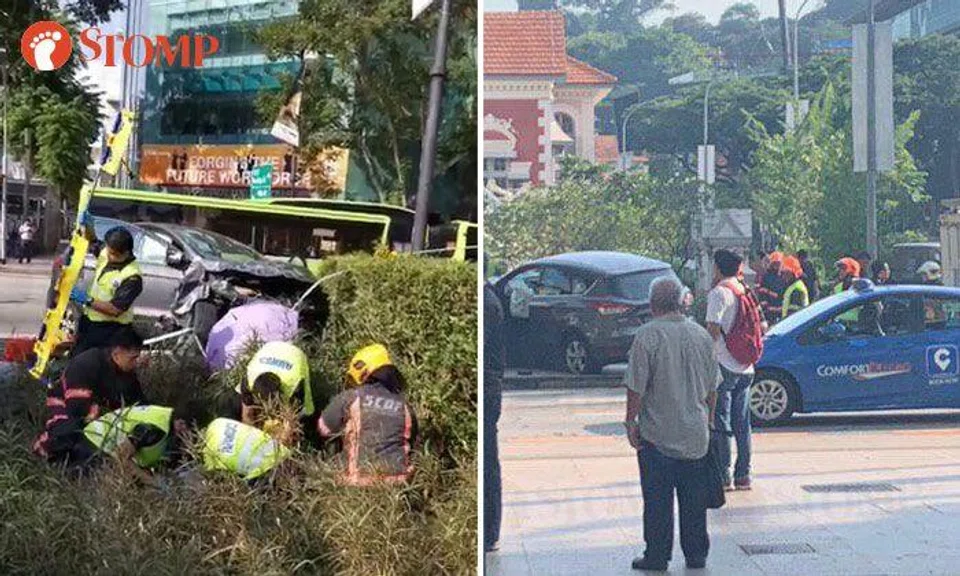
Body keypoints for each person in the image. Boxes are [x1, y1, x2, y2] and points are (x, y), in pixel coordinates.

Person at [624, 277, 719, 572]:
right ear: (681, 302)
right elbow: (713, 387)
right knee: (694, 501)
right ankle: (696, 554)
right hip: (695, 435)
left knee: (657, 502)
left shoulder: (647, 336)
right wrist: (710, 419)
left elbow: (636, 386)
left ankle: (657, 555)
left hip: (657, 437)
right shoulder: (701, 335)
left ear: (652, 304)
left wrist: (630, 421)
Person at [33, 329, 146, 465]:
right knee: (69, 430)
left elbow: (139, 402)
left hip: (95, 409)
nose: (135, 363)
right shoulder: (87, 363)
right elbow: (77, 405)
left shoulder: (126, 372)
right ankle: (42, 449)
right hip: (64, 404)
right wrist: (102, 418)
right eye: (133, 358)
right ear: (117, 354)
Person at [317, 344, 417, 486]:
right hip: (398, 485)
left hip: (358, 482)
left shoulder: (351, 397)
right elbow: (411, 443)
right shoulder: (406, 407)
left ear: (362, 372)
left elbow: (323, 428)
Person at [706, 249, 762, 492]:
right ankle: (743, 475)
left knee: (721, 421)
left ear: (718, 267)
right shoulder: (744, 290)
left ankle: (723, 476)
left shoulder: (719, 293)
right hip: (747, 366)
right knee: (743, 423)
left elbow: (712, 329)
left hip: (724, 364)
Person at [69, 225, 144, 355]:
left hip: (111, 332)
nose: (108, 256)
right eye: (108, 251)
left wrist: (86, 299)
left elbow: (115, 310)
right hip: (90, 324)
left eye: (113, 254)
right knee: (77, 362)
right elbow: (92, 241)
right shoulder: (107, 253)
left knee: (99, 367)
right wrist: (87, 225)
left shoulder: (132, 277)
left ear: (126, 253)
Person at [239, 341, 315, 427]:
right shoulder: (248, 381)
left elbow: (290, 421)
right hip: (270, 347)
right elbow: (247, 414)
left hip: (296, 355)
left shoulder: (294, 385)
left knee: (308, 411)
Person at [483, 270, 506, 553]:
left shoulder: (487, 304)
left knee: (489, 461)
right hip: (491, 385)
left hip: (488, 388)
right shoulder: (489, 299)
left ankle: (489, 531)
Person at [201, 417, 293, 481]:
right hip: (280, 452)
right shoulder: (218, 423)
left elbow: (219, 475)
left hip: (263, 471)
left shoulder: (209, 457)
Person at [756, 251, 785, 323]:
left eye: (779, 263)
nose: (777, 266)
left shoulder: (784, 277)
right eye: (775, 263)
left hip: (781, 310)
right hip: (769, 311)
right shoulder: (766, 277)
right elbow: (762, 293)